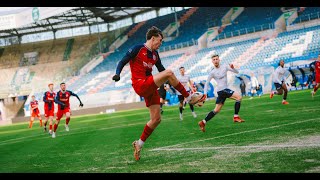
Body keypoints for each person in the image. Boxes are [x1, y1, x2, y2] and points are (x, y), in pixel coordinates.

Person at [112, 26, 203, 161]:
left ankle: (139, 144)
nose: (160, 44)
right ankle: (188, 97)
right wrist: (117, 74)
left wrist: (167, 82)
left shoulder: (155, 54)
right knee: (169, 73)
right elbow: (122, 61)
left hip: (149, 86)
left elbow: (161, 69)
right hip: (140, 84)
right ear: (153, 38)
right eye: (160, 41)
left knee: (156, 119)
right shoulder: (138, 49)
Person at [198, 54, 244, 133]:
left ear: (219, 60)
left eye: (216, 59)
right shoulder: (212, 72)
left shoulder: (225, 66)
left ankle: (203, 122)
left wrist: (233, 68)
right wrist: (205, 94)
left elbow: (237, 72)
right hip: (222, 90)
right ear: (212, 62)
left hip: (222, 91)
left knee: (216, 110)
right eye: (214, 60)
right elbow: (207, 83)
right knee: (239, 97)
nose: (215, 60)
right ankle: (236, 117)